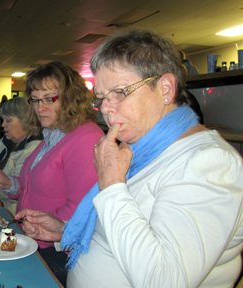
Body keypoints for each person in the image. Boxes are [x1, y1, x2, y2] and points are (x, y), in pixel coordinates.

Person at [15, 29, 243, 288]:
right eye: (101, 98)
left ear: (165, 88)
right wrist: (65, 230)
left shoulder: (208, 163)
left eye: (120, 92)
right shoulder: (142, 148)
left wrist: (112, 183)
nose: (105, 109)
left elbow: (164, 280)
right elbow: (121, 229)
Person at [0, 61, 105, 286]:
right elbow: (33, 188)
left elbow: (81, 211)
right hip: (31, 238)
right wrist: (8, 183)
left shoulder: (85, 138)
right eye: (36, 100)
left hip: (59, 253)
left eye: (49, 99)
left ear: (71, 98)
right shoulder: (53, 134)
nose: (40, 108)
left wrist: (40, 230)